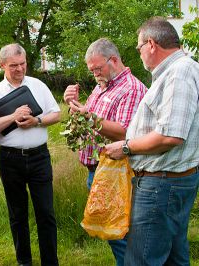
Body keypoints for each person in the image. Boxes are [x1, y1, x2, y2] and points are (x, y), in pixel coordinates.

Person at [105, 17, 199, 265]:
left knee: (140, 260)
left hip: (162, 185)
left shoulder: (180, 72)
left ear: (151, 44)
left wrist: (125, 147)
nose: (139, 53)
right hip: (168, 182)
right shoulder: (174, 71)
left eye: (139, 47)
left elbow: (171, 135)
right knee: (173, 258)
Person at [63, 38, 147, 266]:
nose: (95, 74)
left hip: (118, 173)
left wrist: (88, 116)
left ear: (114, 60)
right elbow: (91, 121)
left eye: (98, 68)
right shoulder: (103, 87)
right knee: (112, 232)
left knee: (121, 234)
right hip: (100, 172)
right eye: (92, 70)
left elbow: (124, 132)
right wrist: (74, 106)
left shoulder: (130, 88)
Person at [0, 43, 61, 266]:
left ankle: (50, 261)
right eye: (13, 65)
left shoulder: (38, 85)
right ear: (2, 65)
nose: (19, 69)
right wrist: (11, 119)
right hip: (10, 159)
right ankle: (24, 261)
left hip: (39, 157)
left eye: (23, 64)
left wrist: (36, 121)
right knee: (17, 214)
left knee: (46, 212)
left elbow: (56, 114)